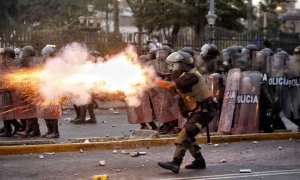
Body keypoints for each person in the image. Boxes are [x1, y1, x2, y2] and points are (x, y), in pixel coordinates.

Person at [155, 50, 216, 173]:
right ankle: (199, 161)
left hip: (204, 111)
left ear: (184, 65)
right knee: (189, 136)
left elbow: (170, 86)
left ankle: (175, 163)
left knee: (185, 135)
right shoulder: (186, 77)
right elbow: (176, 87)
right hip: (200, 112)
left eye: (175, 65)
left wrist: (157, 81)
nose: (173, 68)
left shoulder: (191, 76)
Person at [38, 45, 61, 138]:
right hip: (45, 90)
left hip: (53, 92)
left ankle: (55, 132)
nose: (43, 57)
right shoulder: (44, 64)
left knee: (52, 112)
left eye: (45, 55)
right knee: (46, 112)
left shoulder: (56, 65)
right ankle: (49, 130)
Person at [72, 50, 100, 124]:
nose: (90, 57)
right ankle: (92, 118)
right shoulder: (91, 63)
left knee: (84, 100)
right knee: (89, 102)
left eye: (92, 56)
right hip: (89, 85)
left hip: (91, 85)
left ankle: (82, 118)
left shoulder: (95, 64)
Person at [0, 47, 22, 137]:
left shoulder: (12, 65)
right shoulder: (5, 64)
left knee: (6, 112)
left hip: (8, 92)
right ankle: (9, 127)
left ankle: (9, 129)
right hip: (4, 91)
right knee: (4, 111)